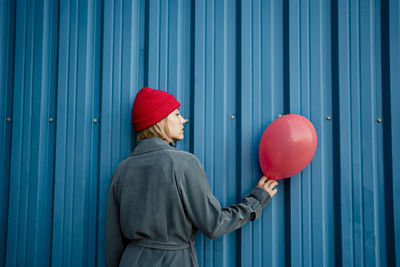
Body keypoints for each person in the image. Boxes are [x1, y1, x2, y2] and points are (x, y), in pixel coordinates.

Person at [106, 87, 278, 267]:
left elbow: (113, 244)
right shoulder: (183, 162)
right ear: (159, 120)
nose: (184, 120)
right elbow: (214, 225)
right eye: (177, 114)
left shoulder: (121, 170)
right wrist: (255, 201)